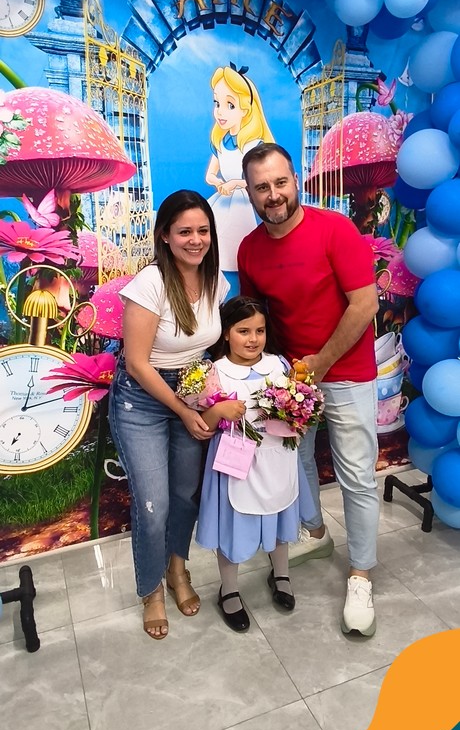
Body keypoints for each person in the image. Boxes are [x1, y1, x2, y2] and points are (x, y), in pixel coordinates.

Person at [237, 143, 379, 637]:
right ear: (249, 193)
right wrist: (264, 374)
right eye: (261, 187)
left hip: (347, 373)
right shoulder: (250, 249)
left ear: (294, 180)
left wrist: (321, 362)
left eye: (280, 183)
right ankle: (315, 532)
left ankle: (361, 575)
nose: (273, 195)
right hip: (290, 381)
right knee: (295, 463)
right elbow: (257, 320)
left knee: (356, 476)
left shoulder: (335, 229)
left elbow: (364, 304)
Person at [109, 190, 229, 641]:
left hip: (191, 393)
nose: (196, 240)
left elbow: (207, 347)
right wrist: (180, 408)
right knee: (153, 505)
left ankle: (178, 570)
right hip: (142, 400)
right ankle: (151, 589)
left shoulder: (216, 282)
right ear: (165, 235)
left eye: (203, 230)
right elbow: (138, 363)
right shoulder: (151, 283)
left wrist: (208, 397)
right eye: (185, 232)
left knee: (185, 496)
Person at [196, 296, 314, 633]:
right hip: (236, 465)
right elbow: (202, 425)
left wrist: (299, 413)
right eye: (243, 331)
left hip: (278, 459)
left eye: (259, 331)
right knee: (232, 525)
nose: (253, 339)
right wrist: (218, 411)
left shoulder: (279, 365)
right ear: (226, 333)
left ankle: (281, 574)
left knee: (280, 515)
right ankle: (229, 590)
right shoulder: (214, 372)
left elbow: (299, 408)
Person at [205, 63, 274, 271]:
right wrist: (218, 183)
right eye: (217, 103)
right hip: (222, 200)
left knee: (237, 250)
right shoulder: (220, 142)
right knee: (213, 246)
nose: (220, 112)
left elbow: (262, 180)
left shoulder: (255, 145)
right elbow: (210, 174)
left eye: (230, 105)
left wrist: (236, 183)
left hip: (243, 204)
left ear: (246, 108)